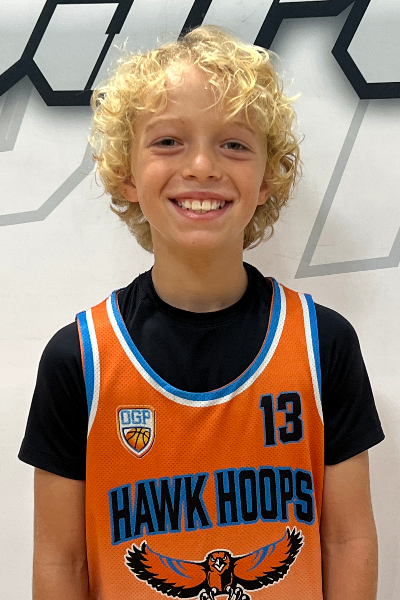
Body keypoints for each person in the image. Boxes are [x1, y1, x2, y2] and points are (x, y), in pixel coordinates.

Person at [19, 25, 384, 600]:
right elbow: (61, 562)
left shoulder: (323, 345)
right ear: (125, 173)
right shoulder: (79, 361)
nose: (202, 166)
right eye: (168, 141)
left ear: (267, 179)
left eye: (234, 144)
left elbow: (347, 541)